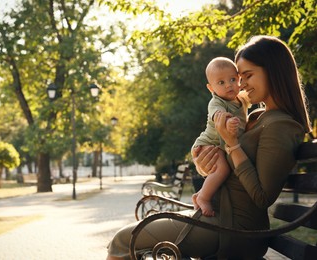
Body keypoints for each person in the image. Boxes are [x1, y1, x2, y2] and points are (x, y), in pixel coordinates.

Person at [106, 35, 311, 260]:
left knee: (124, 241)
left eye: (247, 76)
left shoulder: (281, 125)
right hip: (218, 217)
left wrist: (232, 145)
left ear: (273, 71)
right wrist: (206, 164)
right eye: (239, 78)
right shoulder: (256, 117)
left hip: (235, 231)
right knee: (126, 239)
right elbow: (230, 164)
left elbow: (262, 196)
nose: (240, 85)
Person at [191, 57, 250, 217]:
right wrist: (228, 121)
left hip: (219, 145)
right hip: (208, 144)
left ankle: (201, 194)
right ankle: (203, 197)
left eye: (232, 79)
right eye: (221, 82)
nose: (229, 85)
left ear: (239, 79)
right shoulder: (216, 102)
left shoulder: (241, 99)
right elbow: (217, 115)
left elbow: (251, 95)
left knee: (221, 168)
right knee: (222, 169)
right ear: (211, 88)